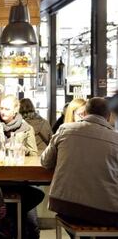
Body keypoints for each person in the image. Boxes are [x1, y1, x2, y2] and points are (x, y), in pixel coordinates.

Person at [41, 97, 118, 228]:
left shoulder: (64, 129)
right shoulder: (115, 139)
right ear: (109, 116)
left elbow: (46, 162)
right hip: (103, 211)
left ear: (85, 112)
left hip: (64, 205)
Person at [0, 95, 43, 239]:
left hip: (19, 179)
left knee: (31, 221)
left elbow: (34, 154)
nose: (2, 111)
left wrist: (21, 150)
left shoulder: (26, 128)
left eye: (7, 108)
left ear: (16, 110)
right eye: (1, 108)